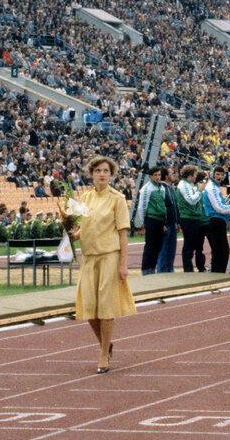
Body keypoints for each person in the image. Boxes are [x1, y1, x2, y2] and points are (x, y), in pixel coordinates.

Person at [70, 155, 135, 373]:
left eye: (106, 171)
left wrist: (123, 264)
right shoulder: (85, 199)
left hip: (109, 256)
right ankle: (105, 344)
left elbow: (123, 235)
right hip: (89, 258)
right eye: (98, 171)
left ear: (111, 174)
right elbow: (83, 229)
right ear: (91, 174)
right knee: (89, 307)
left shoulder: (117, 198)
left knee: (106, 307)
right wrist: (74, 233)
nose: (102, 174)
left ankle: (103, 354)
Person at [202, 166, 230, 274]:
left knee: (221, 250)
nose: (220, 177)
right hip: (216, 220)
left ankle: (218, 273)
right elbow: (219, 207)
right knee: (221, 250)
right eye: (217, 174)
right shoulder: (212, 188)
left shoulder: (216, 187)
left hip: (219, 221)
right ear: (212, 174)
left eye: (221, 175)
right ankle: (218, 274)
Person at [176, 165, 206, 273]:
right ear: (190, 175)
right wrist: (200, 191)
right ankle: (188, 269)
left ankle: (196, 267)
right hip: (188, 218)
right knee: (189, 244)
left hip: (194, 217)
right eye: (195, 174)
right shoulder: (183, 185)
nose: (196, 177)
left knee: (195, 244)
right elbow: (191, 201)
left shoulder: (190, 184)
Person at [136, 168, 166, 276]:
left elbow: (163, 205)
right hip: (151, 219)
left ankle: (152, 268)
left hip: (160, 220)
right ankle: (146, 270)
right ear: (151, 176)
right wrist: (144, 220)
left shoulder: (162, 188)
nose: (158, 177)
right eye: (155, 175)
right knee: (150, 246)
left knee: (158, 246)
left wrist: (164, 222)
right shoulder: (146, 188)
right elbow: (142, 206)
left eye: (159, 175)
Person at [158, 167, 179, 273]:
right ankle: (162, 273)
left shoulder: (171, 188)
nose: (174, 175)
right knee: (163, 250)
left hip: (173, 223)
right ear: (166, 176)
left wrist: (177, 221)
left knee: (171, 250)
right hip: (166, 225)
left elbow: (175, 206)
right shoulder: (161, 189)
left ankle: (170, 271)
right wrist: (162, 224)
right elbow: (160, 207)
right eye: (172, 173)